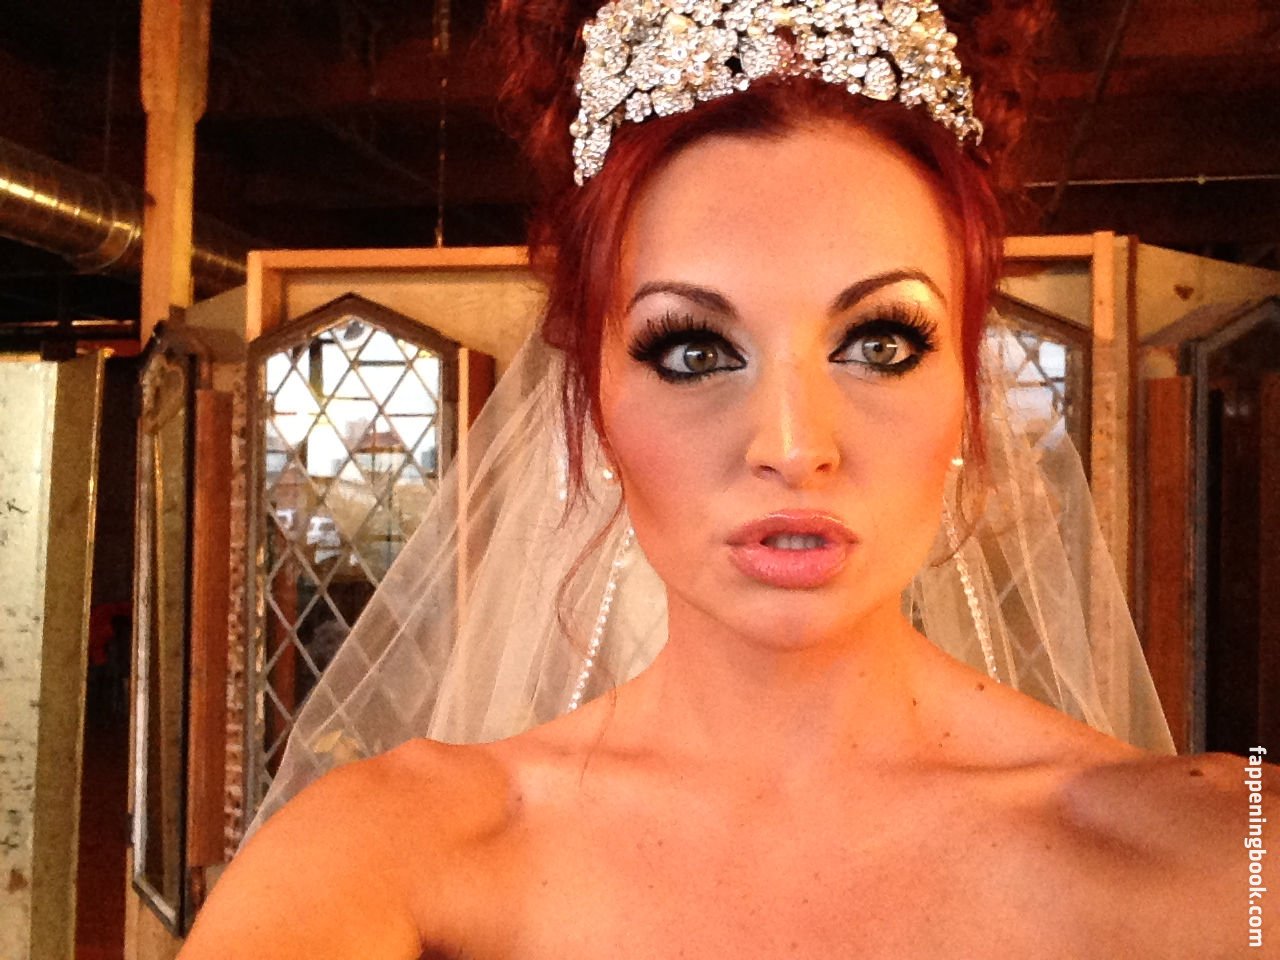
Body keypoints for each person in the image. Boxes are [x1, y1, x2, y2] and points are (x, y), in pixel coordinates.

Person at [180, 1, 1275, 956]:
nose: (791, 445)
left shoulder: (1236, 860)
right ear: (593, 400)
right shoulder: (383, 855)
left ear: (965, 385)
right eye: (694, 350)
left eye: (880, 342)